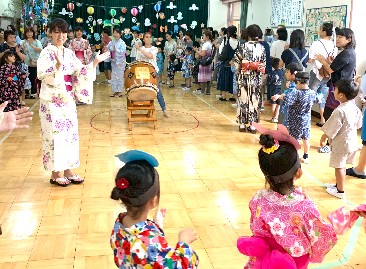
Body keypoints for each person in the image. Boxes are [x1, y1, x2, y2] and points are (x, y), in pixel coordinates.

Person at [237, 123, 337, 268]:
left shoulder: (258, 198)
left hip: (262, 259)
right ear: (299, 172)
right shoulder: (305, 206)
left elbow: (255, 227)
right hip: (292, 263)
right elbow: (322, 237)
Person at [37, 18, 109, 186]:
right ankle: (55, 173)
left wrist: (95, 62)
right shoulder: (46, 52)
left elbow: (81, 71)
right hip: (52, 102)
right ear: (50, 33)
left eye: (63, 32)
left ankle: (68, 170)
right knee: (54, 136)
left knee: (69, 136)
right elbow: (44, 75)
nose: (60, 36)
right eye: (56, 32)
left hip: (67, 101)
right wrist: (58, 68)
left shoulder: (68, 53)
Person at [110, 150, 199, 268]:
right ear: (154, 200)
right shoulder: (151, 244)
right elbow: (178, 266)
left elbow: (141, 248)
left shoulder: (119, 224)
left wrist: (157, 225)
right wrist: (184, 243)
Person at [314, 28, 357, 153]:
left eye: (340, 37)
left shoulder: (347, 53)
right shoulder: (347, 52)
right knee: (330, 113)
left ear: (349, 39)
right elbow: (336, 67)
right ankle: (331, 142)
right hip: (341, 87)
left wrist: (323, 61)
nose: (337, 39)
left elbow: (331, 70)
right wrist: (329, 62)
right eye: (337, 36)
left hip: (341, 88)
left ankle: (331, 143)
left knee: (331, 114)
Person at [320, 80, 362, 199]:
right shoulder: (355, 108)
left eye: (336, 89)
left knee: (339, 166)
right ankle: (337, 185)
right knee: (341, 165)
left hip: (342, 144)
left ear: (341, 95)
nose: (333, 91)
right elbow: (359, 125)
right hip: (352, 142)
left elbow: (331, 128)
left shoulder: (340, 111)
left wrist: (324, 137)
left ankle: (340, 191)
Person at [233, 24, 266, 133]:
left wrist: (239, 72)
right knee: (254, 101)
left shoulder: (243, 46)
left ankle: (242, 124)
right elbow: (263, 65)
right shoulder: (262, 48)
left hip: (244, 78)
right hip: (256, 78)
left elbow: (236, 63)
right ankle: (253, 126)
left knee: (243, 100)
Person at [308, 23, 337, 127]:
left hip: (317, 73)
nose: (319, 31)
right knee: (321, 96)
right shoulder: (334, 45)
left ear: (324, 32)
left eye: (320, 29)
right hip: (327, 75)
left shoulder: (316, 43)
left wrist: (314, 59)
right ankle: (322, 119)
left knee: (310, 95)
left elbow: (310, 60)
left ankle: (306, 118)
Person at [284, 72, 317, 164]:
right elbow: (318, 99)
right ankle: (306, 156)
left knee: (295, 140)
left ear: (298, 82)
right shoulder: (312, 93)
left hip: (296, 120)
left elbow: (287, 101)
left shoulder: (297, 93)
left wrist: (289, 89)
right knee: (306, 138)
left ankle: (294, 158)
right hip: (306, 120)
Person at [135, 32, 169, 117]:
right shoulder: (140, 49)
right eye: (146, 37)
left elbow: (150, 56)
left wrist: (140, 49)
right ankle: (141, 107)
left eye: (150, 37)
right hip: (143, 73)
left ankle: (164, 110)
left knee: (158, 91)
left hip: (153, 73)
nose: (149, 39)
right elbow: (138, 61)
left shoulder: (154, 49)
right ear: (143, 39)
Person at [272, 63, 303, 127]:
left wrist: (279, 96)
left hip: (290, 115)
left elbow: (288, 97)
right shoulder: (294, 84)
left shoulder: (294, 86)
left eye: (287, 72)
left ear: (294, 74)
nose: (285, 73)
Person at [217, 25, 238, 101]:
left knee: (224, 78)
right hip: (234, 63)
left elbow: (221, 50)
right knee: (232, 80)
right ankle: (233, 95)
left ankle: (223, 96)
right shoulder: (238, 42)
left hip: (225, 62)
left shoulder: (226, 40)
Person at [21, 27, 43, 99]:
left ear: (33, 33)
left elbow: (40, 50)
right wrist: (24, 47)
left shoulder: (37, 42)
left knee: (33, 78)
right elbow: (21, 51)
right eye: (27, 32)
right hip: (25, 63)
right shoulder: (22, 42)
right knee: (26, 77)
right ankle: (27, 92)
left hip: (34, 63)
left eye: (31, 32)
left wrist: (32, 46)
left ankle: (33, 92)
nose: (29, 34)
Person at [193, 30, 213, 95]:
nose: (203, 37)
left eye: (203, 36)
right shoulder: (210, 43)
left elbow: (203, 54)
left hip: (204, 62)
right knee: (208, 76)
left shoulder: (206, 44)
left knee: (203, 76)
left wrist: (196, 50)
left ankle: (202, 91)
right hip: (209, 62)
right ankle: (208, 91)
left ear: (207, 36)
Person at [108, 29, 126, 98]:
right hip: (114, 61)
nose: (115, 35)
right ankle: (115, 91)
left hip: (120, 62)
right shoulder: (112, 42)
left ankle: (119, 91)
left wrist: (116, 50)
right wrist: (108, 49)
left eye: (117, 33)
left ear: (120, 34)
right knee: (114, 77)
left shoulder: (122, 43)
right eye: (114, 33)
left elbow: (123, 52)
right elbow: (109, 48)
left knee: (120, 76)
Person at [267, 57, 284, 123]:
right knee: (278, 105)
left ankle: (273, 117)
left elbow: (268, 82)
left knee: (273, 104)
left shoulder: (271, 73)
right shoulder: (283, 73)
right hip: (281, 90)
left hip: (273, 90)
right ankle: (276, 117)